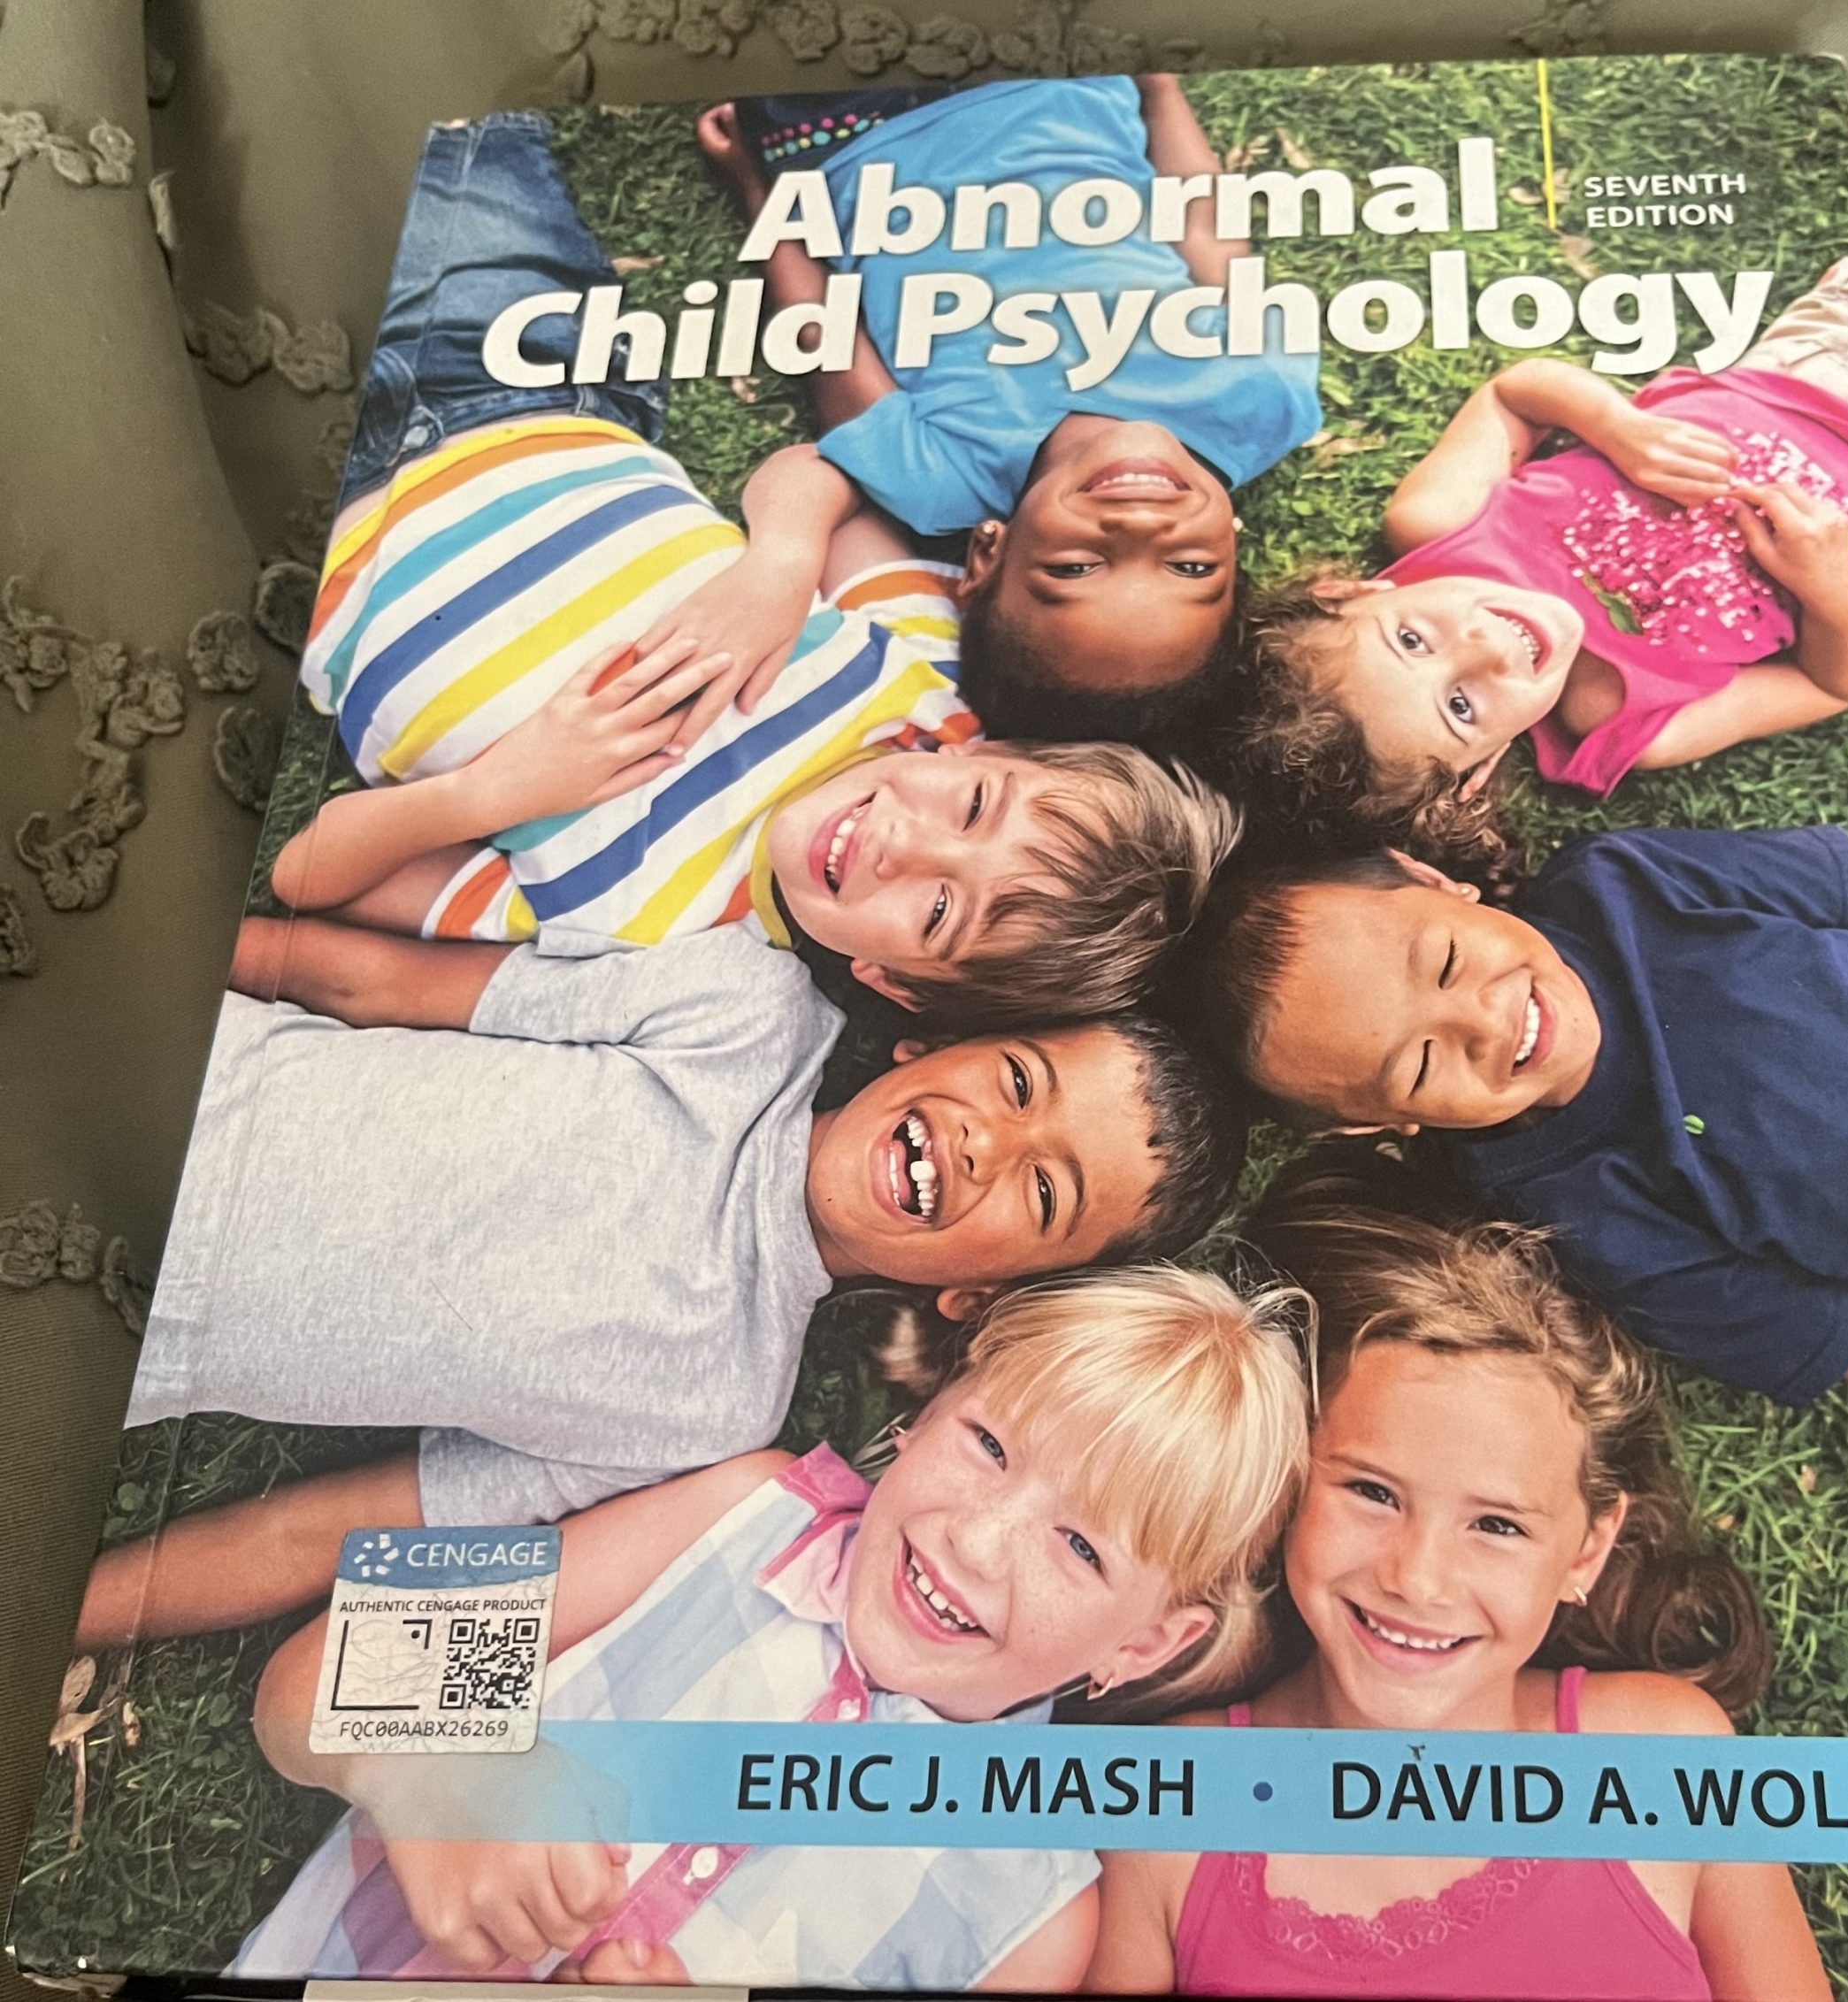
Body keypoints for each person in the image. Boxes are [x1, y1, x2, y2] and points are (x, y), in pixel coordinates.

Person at [295, 111, 1238, 1022]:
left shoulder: (648, 931)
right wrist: (780, 569)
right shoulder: (923, 696)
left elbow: (309, 876)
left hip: (306, 544)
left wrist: (488, 795)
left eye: (939, 910)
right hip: (515, 387)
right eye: (975, 806)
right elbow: (830, 476)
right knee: (418, 141)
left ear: (892, 983)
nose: (902, 845)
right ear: (987, 752)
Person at [184, 1269, 1312, 1988]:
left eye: (1081, 1548)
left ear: (1142, 1648)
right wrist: (426, 1773)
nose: (978, 1539)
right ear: (924, 1416)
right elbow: (312, 1676)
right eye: (988, 1445)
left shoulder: (1032, 1923)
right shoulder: (738, 1513)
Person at [112, 912, 1246, 1530]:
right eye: (1016, 1081)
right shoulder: (745, 1012)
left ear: (979, 1296)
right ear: (932, 1044)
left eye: (1045, 1194)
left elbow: (336, 1527)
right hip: (146, 1074)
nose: (986, 1144)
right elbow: (369, 981)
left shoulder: (712, 1413)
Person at [1087, 1185, 1828, 2000]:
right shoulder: (1165, 1807)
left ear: (1587, 1550)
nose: (1417, 1576)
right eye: (1372, 1492)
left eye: (1498, 1525)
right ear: (1290, 1482)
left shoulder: (1669, 1755)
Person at [1177, 826, 1848, 1441]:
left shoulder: (1623, 887)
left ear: (1435, 881)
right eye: (1420, 1063)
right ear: (1385, 1122)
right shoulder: (1587, 1223)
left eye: (1445, 960)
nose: (1483, 1022)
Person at [1215, 254, 1848, 865]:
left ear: (1347, 592)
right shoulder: (1631, 725)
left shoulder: (1437, 524)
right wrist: (1831, 585)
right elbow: (1836, 682)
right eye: (1461, 706)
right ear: (1475, 776)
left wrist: (1619, 428)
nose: (1489, 647)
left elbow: (1514, 394)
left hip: (1820, 362)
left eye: (1412, 639)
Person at [699, 73, 1324, 744]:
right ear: (1234, 546)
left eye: (1076, 567)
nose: (1142, 524)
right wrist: (1161, 91)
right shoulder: (1261, 402)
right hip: (1061, 87)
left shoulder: (939, 477)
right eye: (1192, 568)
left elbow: (825, 331)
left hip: (848, 135)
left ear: (987, 558)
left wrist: (763, 193)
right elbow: (1206, 228)